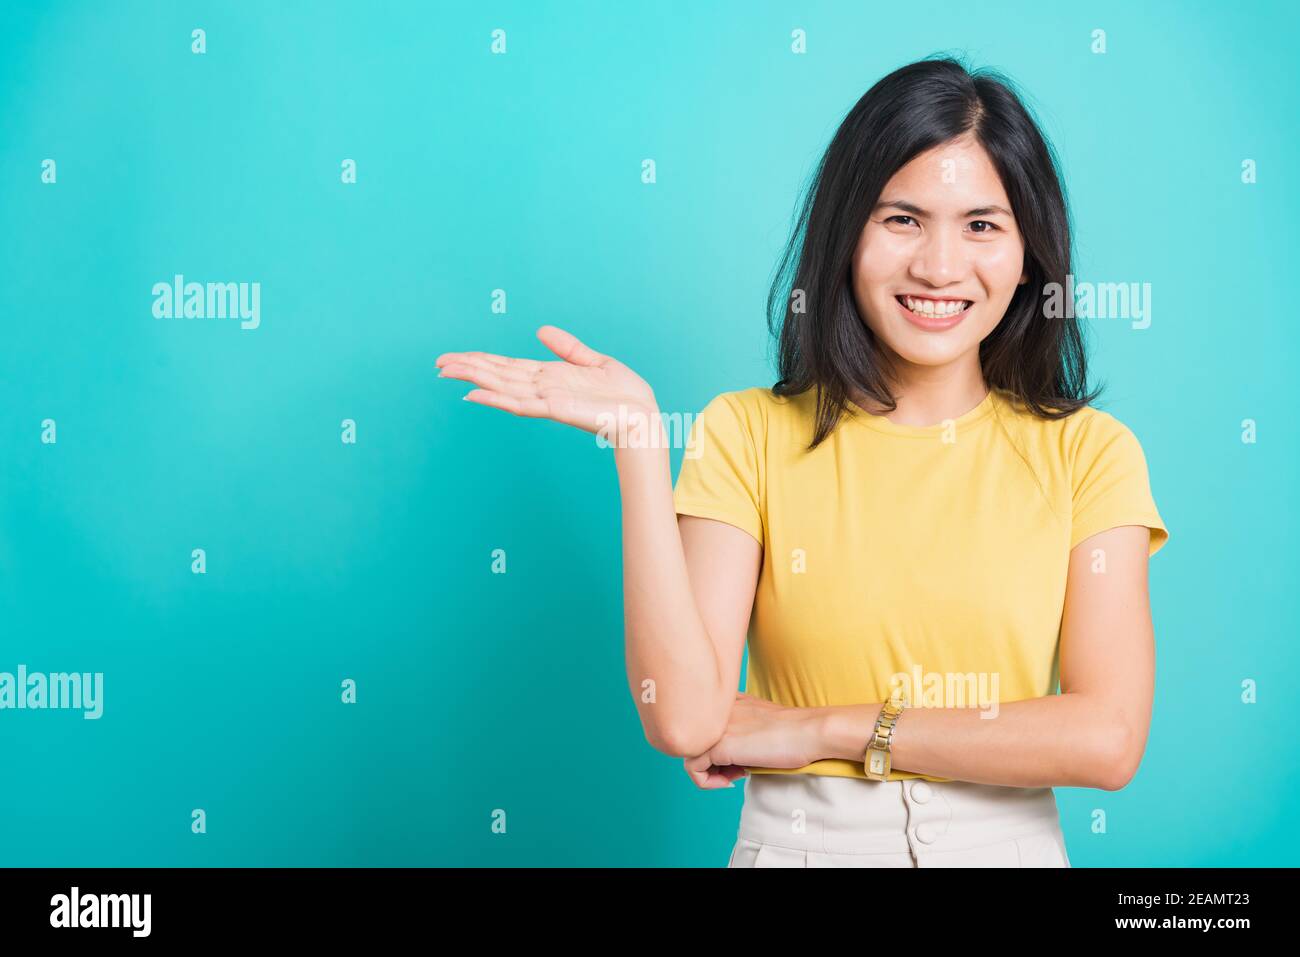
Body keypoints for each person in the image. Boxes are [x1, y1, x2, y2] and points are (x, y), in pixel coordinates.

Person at [435, 55, 1169, 868]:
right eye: (901, 219)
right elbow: (683, 719)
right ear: (847, 233)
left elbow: (1107, 738)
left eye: (982, 225)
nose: (939, 265)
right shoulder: (744, 433)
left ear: (1029, 252)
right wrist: (641, 445)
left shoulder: (1090, 454)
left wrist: (824, 727)